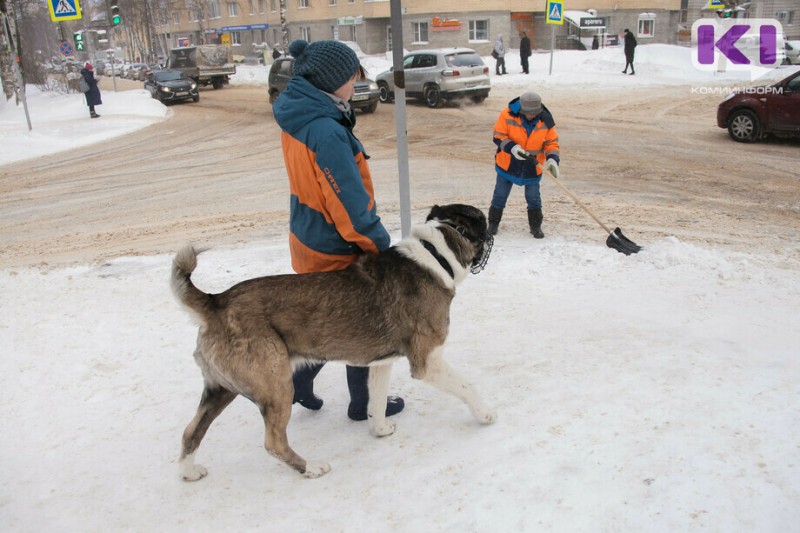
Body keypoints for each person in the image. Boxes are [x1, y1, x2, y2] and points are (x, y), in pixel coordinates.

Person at [272, 39, 405, 422]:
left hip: (306, 236)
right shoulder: (326, 131)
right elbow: (348, 206)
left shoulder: (297, 114)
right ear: (330, 81)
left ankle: (299, 381)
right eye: (352, 77)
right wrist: (380, 248)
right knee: (361, 324)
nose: (356, 83)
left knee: (327, 324)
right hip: (335, 246)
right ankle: (363, 404)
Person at [487, 92, 560, 239]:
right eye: (528, 113)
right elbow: (498, 135)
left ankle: (535, 226)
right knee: (500, 195)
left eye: (534, 113)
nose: (531, 115)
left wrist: (552, 159)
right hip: (507, 164)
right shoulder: (507, 115)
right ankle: (493, 224)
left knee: (533, 198)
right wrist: (512, 147)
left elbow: (551, 143)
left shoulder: (546, 120)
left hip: (532, 167)